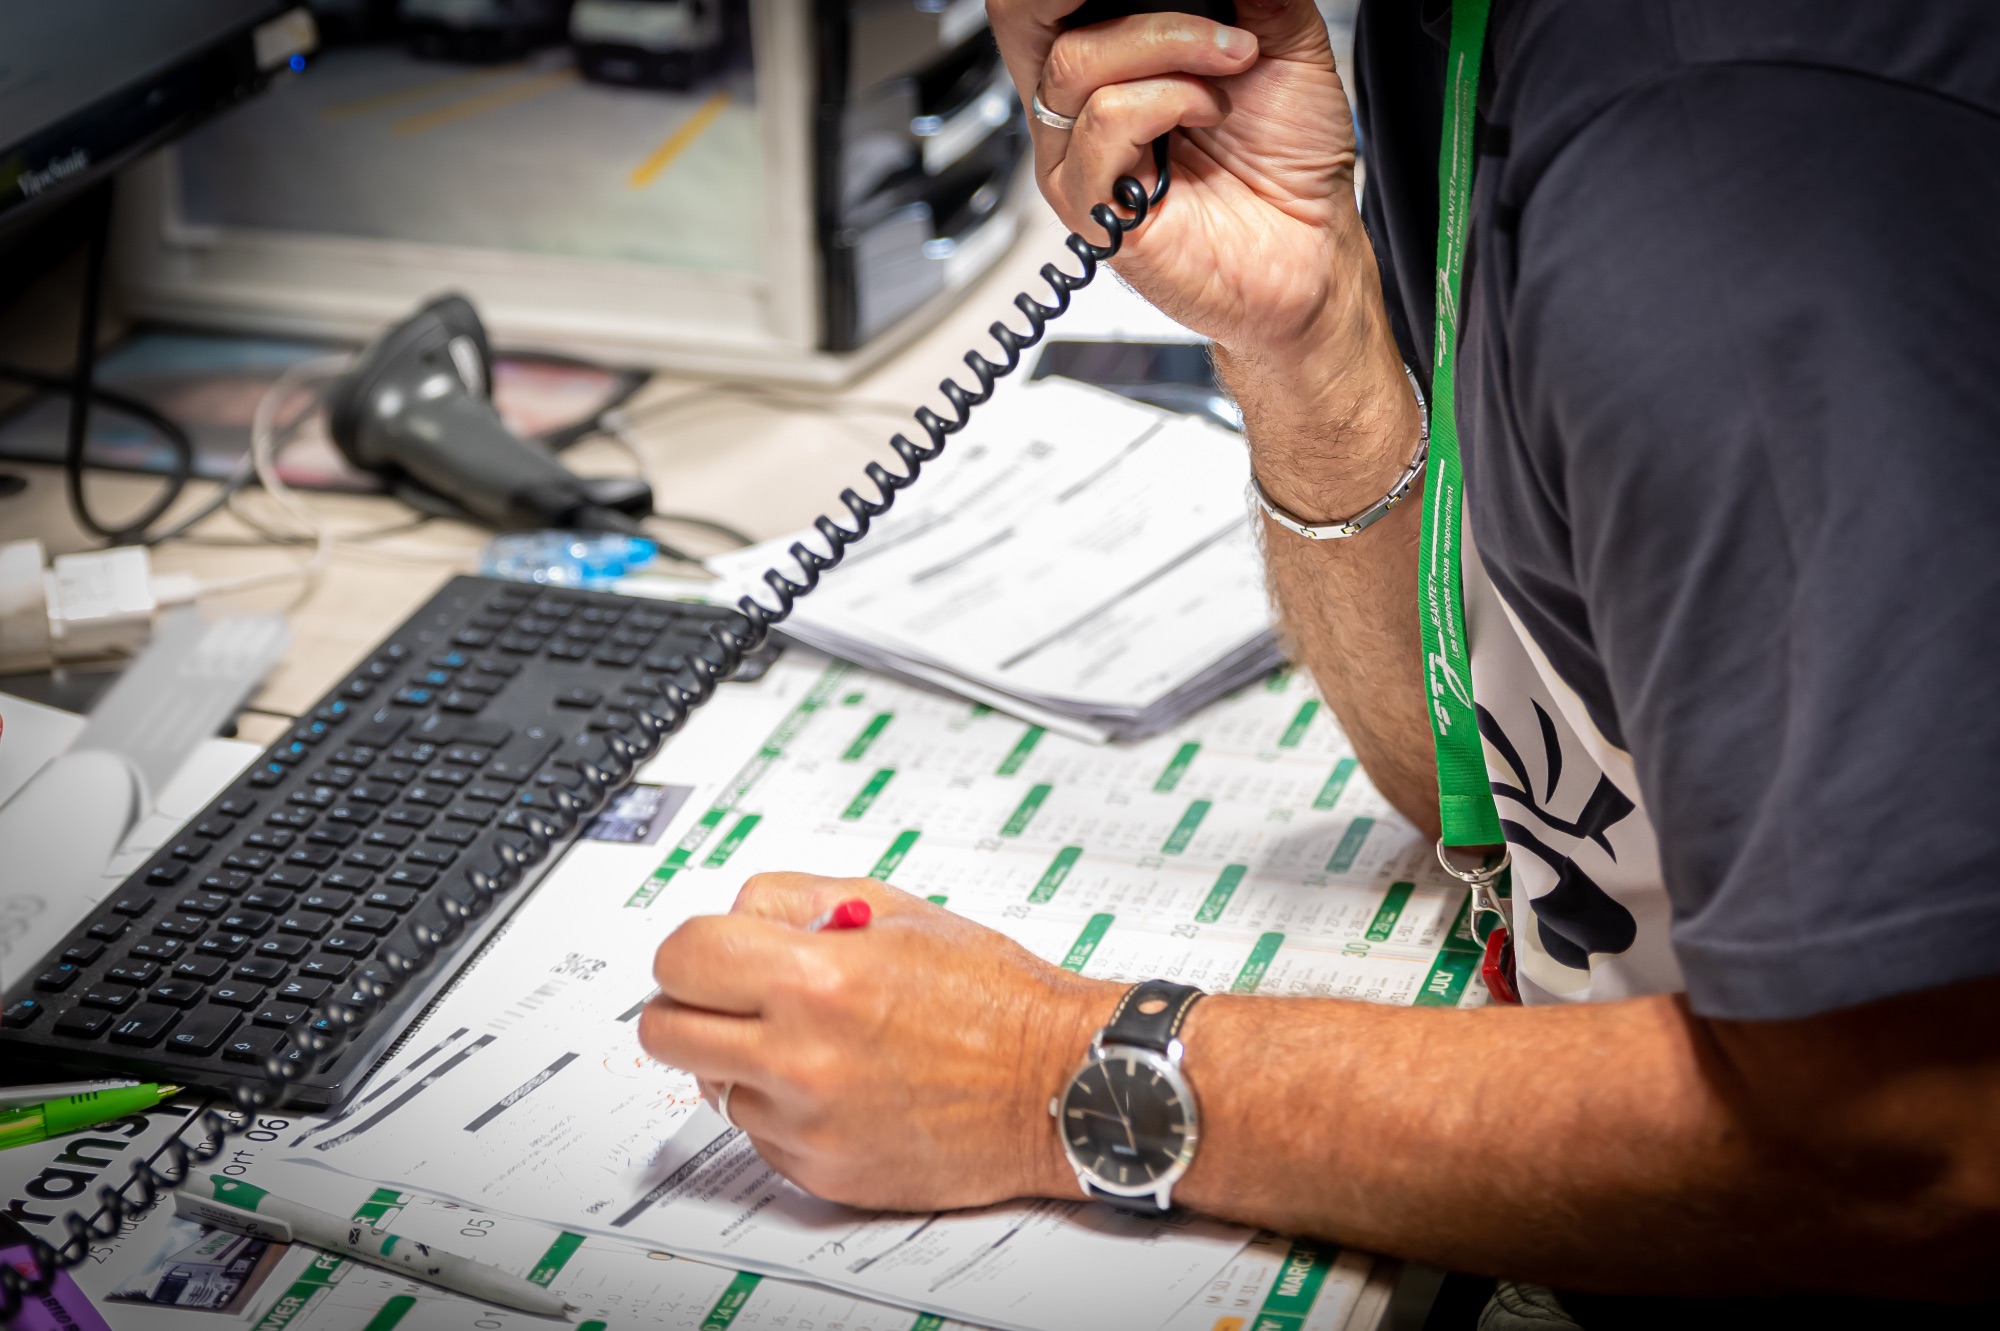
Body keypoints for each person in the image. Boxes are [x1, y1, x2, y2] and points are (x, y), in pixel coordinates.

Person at [638, 0, 2000, 1319]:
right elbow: (1495, 800)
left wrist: (1045, 1077)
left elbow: (1926, 1141)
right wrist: (1305, 329)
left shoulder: (1711, 142)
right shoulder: (1445, 36)